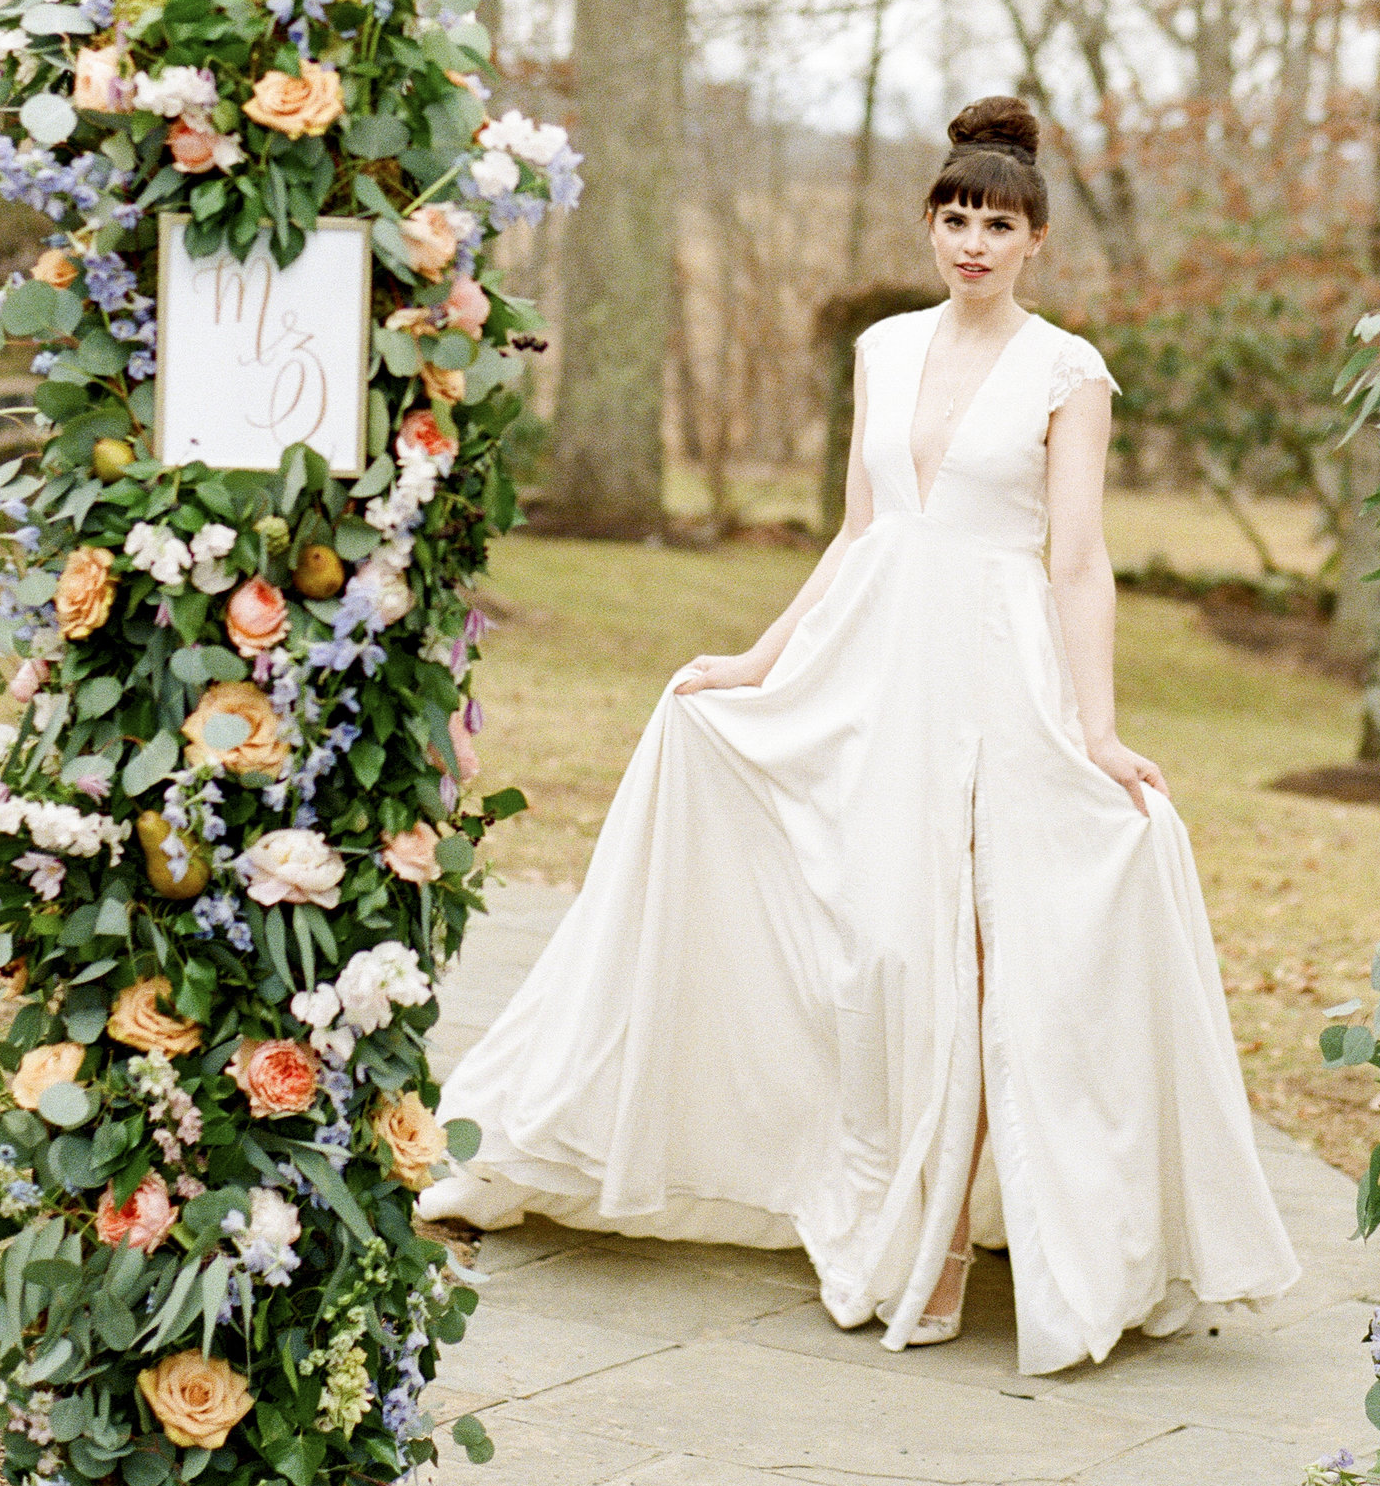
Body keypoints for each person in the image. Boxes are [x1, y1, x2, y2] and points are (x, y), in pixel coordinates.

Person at [419, 96, 1298, 1373]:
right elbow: (856, 532)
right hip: (873, 665)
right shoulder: (883, 349)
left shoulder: (1067, 371)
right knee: (884, 945)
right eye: (954, 217)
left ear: (1035, 239)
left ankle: (945, 1242)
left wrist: (1097, 733)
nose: (973, 242)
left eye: (998, 223)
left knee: (996, 951)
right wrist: (759, 661)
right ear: (929, 225)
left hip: (999, 668)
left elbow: (1080, 560)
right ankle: (865, 1189)